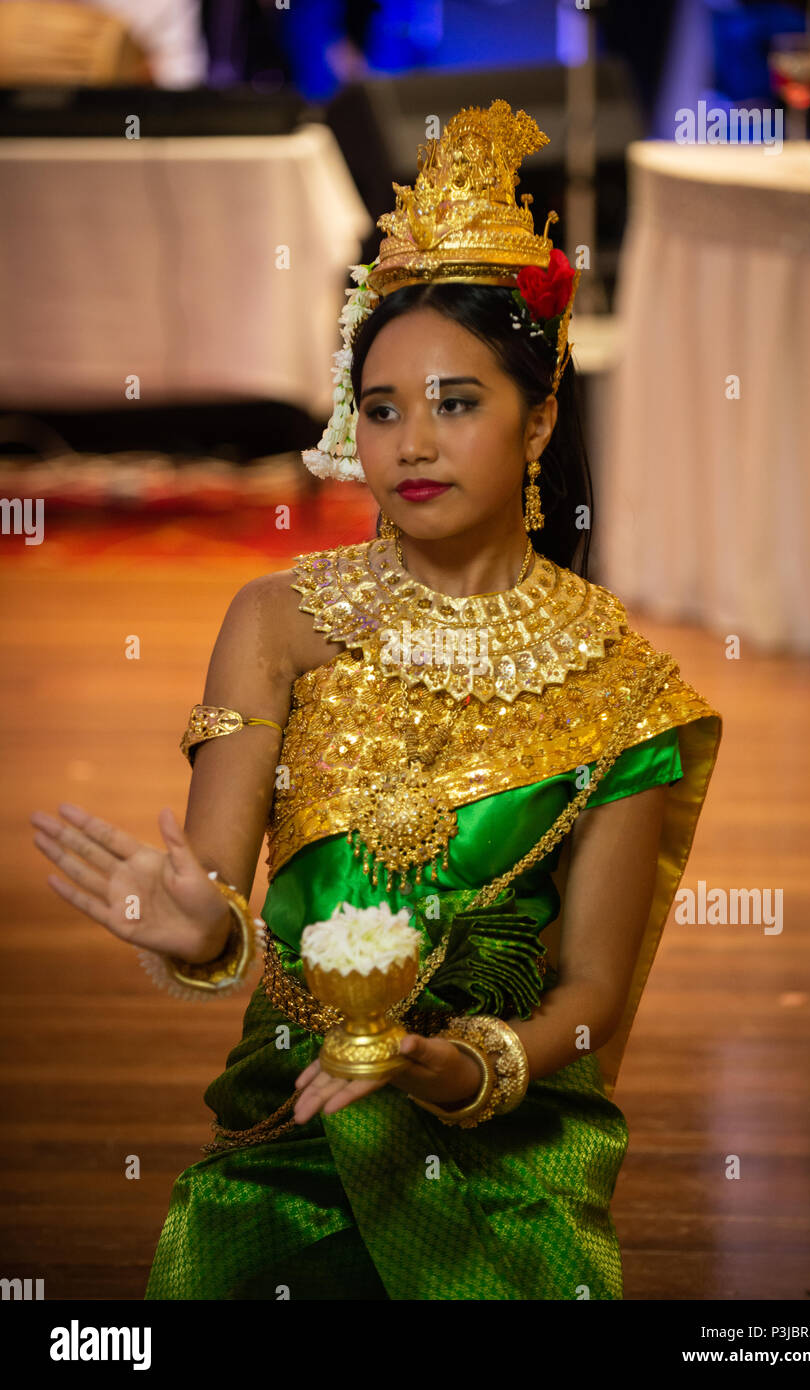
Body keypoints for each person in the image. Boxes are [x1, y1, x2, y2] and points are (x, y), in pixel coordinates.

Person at [30, 99, 722, 1301]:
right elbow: (219, 890)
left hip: (501, 1138)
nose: (413, 442)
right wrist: (197, 931)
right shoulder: (277, 623)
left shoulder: (623, 690)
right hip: (291, 1118)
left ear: (541, 418)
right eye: (386, 407)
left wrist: (443, 1065)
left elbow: (593, 1002)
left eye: (458, 403)